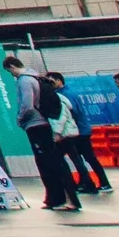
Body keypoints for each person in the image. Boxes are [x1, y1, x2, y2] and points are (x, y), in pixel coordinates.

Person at [17, 66, 78, 212]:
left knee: (57, 166)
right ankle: (63, 198)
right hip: (56, 133)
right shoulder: (54, 97)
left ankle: (69, 199)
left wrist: (56, 133)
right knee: (58, 165)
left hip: (55, 134)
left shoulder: (54, 98)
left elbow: (60, 117)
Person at [49, 74, 111, 198]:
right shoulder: (67, 92)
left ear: (59, 80)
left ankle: (99, 182)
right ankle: (89, 182)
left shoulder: (64, 94)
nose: (50, 85)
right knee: (83, 158)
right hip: (80, 129)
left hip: (79, 130)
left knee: (85, 158)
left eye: (52, 82)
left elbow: (72, 111)